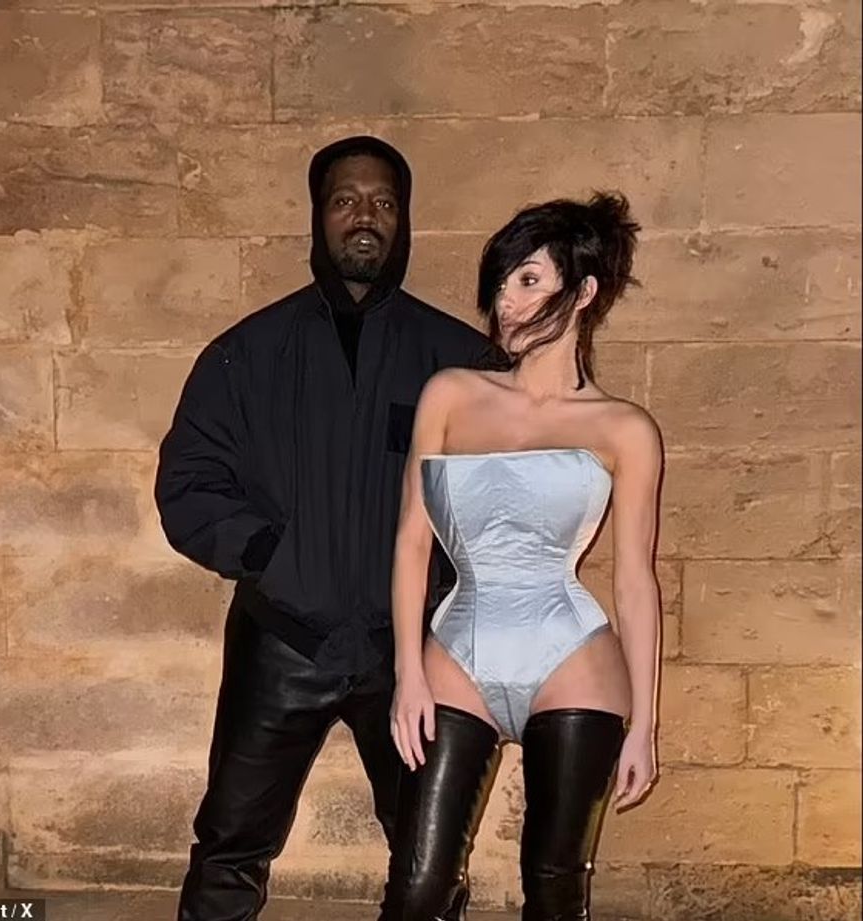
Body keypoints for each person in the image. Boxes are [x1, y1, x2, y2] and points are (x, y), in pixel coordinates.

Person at [155, 136, 497, 921]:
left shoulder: (458, 359)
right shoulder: (245, 355)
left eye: (383, 202)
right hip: (282, 641)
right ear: (318, 216)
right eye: (345, 200)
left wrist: (446, 591)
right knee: (231, 841)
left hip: (409, 650)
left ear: (404, 218)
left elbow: (500, 498)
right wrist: (271, 553)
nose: (364, 216)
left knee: (429, 853)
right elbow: (187, 483)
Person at [384, 192, 662, 920]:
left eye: (529, 280)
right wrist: (407, 673)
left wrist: (645, 724)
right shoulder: (450, 394)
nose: (506, 301)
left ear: (585, 292)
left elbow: (635, 581)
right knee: (417, 889)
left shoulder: (625, 428)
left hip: (572, 655)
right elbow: (413, 538)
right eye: (503, 283)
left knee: (554, 889)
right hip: (457, 650)